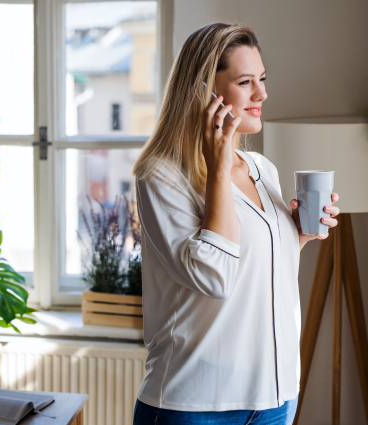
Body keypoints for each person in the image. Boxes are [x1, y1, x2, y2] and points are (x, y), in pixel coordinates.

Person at [131, 23, 340, 425]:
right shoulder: (160, 175)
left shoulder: (263, 169)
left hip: (274, 398)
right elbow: (215, 276)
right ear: (203, 90)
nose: (262, 94)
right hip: (194, 406)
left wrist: (296, 234)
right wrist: (219, 167)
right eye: (246, 82)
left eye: (261, 79)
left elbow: (254, 269)